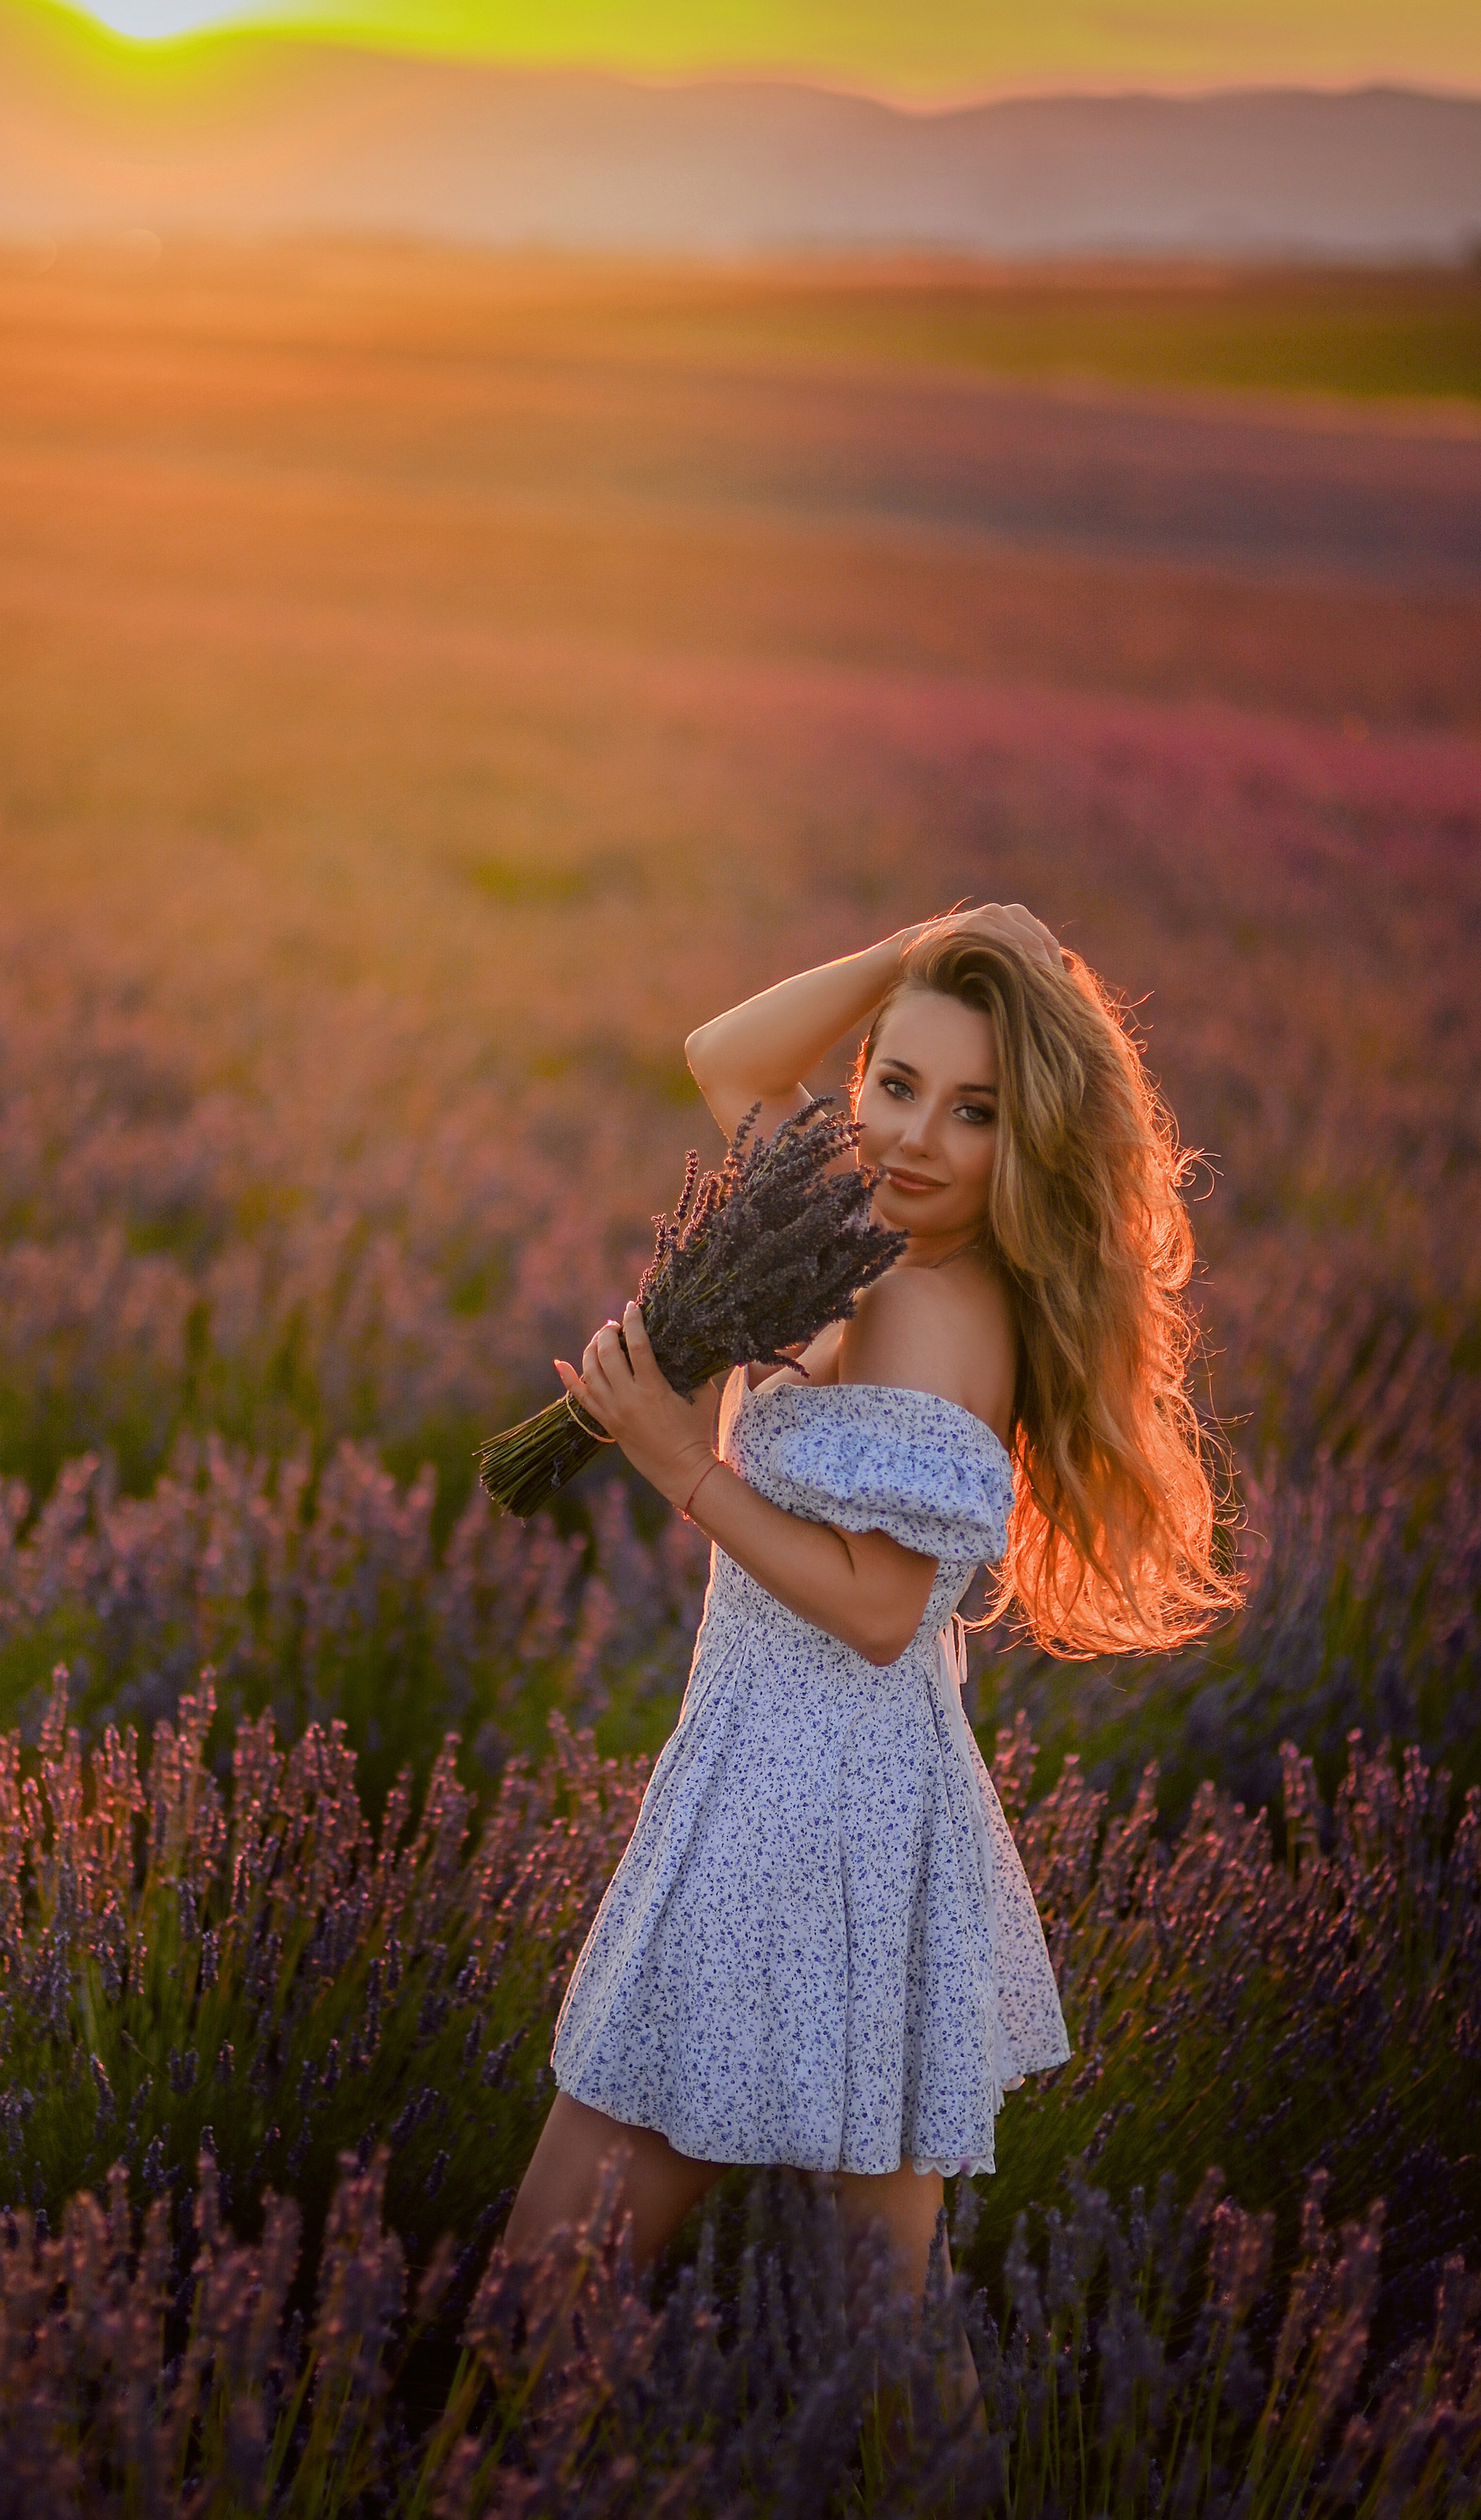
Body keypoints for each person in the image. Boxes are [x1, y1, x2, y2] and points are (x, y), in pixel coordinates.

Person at [502, 903, 1240, 2399]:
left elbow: (876, 1606)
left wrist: (666, 1455)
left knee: (541, 2302)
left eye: (972, 1113)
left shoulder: (931, 1313)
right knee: (878, 2336)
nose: (913, 1137)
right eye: (891, 1083)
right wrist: (931, 941)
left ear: (1023, 1145)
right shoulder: (848, 1240)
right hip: (817, 1805)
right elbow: (724, 1057)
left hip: (805, 1823)